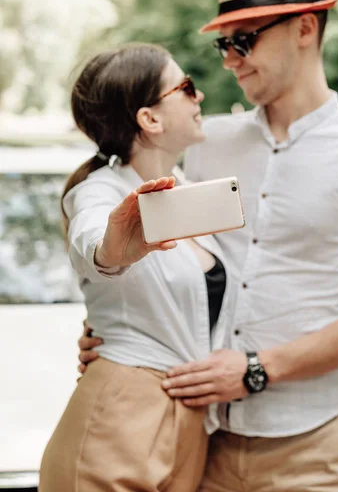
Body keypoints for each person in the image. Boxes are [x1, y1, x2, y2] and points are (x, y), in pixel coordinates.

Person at [79, 0, 338, 492]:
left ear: (304, 27)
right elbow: (163, 262)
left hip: (316, 449)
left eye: (244, 40)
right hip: (198, 443)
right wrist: (118, 335)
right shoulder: (205, 147)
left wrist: (258, 368)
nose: (231, 60)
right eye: (223, 44)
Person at [39, 43, 237, 492]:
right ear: (150, 119)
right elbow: (92, 237)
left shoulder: (184, 190)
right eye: (185, 87)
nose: (199, 96)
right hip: (119, 423)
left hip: (184, 430)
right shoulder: (100, 190)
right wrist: (113, 249)